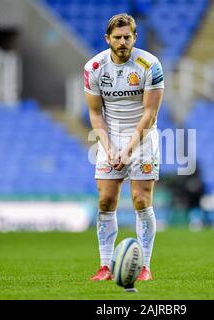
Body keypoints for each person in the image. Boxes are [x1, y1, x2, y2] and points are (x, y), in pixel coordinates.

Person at [84, 13, 164, 281]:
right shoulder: (94, 68)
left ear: (134, 37)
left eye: (127, 37)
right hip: (110, 137)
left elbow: (150, 114)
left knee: (141, 200)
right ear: (107, 39)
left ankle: (144, 266)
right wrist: (109, 149)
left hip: (143, 138)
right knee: (106, 200)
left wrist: (128, 150)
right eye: (117, 37)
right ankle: (105, 266)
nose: (122, 42)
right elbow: (95, 114)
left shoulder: (150, 65)